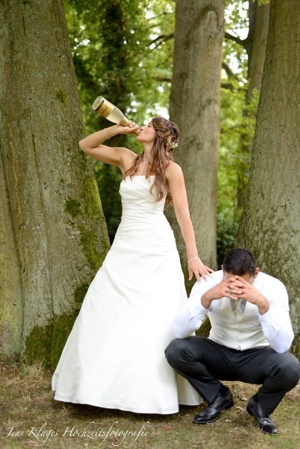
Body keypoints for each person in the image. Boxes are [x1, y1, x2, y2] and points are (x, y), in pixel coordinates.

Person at [52, 117, 213, 414]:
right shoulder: (125, 157)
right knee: (105, 304)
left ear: (162, 136)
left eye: (149, 126)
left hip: (156, 247)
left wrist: (192, 256)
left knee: (153, 314)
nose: (142, 128)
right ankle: (96, 388)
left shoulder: (171, 170)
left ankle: (151, 391)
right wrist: (117, 129)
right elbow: (85, 145)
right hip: (125, 244)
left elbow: (183, 216)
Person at [165, 247, 300, 434]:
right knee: (176, 349)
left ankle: (260, 406)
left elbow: (283, 345)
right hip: (218, 352)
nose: (236, 288)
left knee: (290, 367)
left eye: (243, 283)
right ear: (222, 270)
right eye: (229, 280)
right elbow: (180, 331)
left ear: (256, 273)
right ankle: (219, 396)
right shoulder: (207, 283)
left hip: (257, 357)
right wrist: (207, 297)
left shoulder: (274, 287)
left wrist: (262, 304)